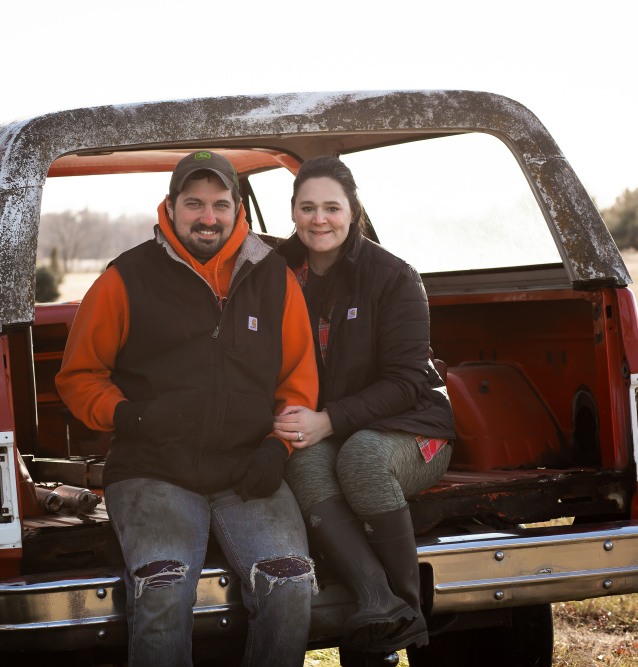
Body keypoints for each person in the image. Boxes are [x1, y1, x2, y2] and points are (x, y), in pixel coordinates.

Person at [56, 151, 319, 667]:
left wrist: (277, 447)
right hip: (152, 469)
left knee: (289, 583)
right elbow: (78, 377)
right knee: (163, 587)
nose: (208, 217)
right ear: (171, 207)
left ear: (237, 208)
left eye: (220, 204)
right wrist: (127, 416)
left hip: (247, 469)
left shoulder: (274, 276)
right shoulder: (124, 278)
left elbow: (298, 382)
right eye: (194, 203)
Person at [273, 156, 457, 657]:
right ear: (292, 211)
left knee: (363, 459)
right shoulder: (276, 273)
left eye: (332, 208)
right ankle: (378, 602)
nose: (319, 219)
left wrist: (328, 419)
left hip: (413, 428)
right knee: (302, 462)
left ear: (353, 211)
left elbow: (406, 383)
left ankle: (407, 615)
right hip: (332, 431)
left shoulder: (394, 276)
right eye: (307, 207)